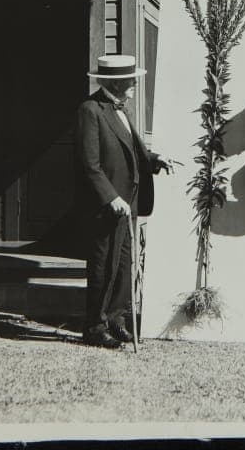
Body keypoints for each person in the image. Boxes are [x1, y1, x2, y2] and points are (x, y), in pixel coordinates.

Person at [75, 54, 173, 348]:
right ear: (116, 83)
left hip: (129, 201)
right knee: (103, 265)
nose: (134, 84)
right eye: (130, 80)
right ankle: (95, 327)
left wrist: (155, 160)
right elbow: (89, 165)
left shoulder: (121, 109)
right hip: (107, 205)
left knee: (124, 264)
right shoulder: (90, 110)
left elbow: (131, 148)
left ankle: (116, 319)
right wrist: (110, 197)